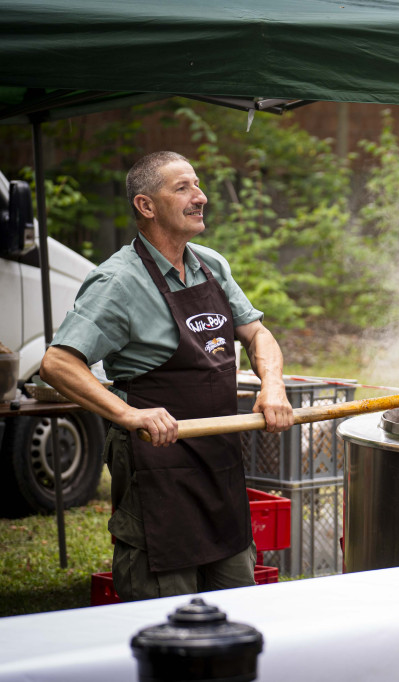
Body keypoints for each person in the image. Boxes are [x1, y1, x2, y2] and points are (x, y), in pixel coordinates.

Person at [40, 151, 294, 601]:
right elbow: (58, 363)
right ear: (146, 205)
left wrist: (272, 387)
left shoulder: (210, 265)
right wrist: (128, 415)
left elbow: (258, 335)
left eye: (197, 185)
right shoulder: (117, 282)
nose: (201, 197)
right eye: (183, 188)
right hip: (156, 463)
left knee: (237, 597)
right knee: (166, 605)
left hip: (217, 457)